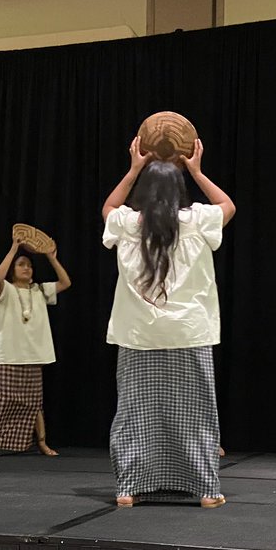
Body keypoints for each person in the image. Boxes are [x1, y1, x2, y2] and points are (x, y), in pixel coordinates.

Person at [101, 137, 235, 508]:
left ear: (143, 191)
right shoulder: (197, 220)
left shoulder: (127, 223)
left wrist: (133, 169)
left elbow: (109, 206)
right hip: (189, 333)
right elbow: (228, 205)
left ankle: (128, 489)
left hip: (137, 335)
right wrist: (196, 170)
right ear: (180, 190)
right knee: (195, 413)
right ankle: (206, 491)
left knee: (134, 413)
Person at [0, 241, 71, 459]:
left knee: (34, 403)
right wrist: (13, 249)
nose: (26, 268)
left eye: (29, 265)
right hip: (8, 354)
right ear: (13, 270)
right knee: (2, 400)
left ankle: (42, 443)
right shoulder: (6, 289)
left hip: (34, 355)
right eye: (21, 264)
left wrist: (51, 257)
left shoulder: (40, 290)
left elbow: (65, 282)